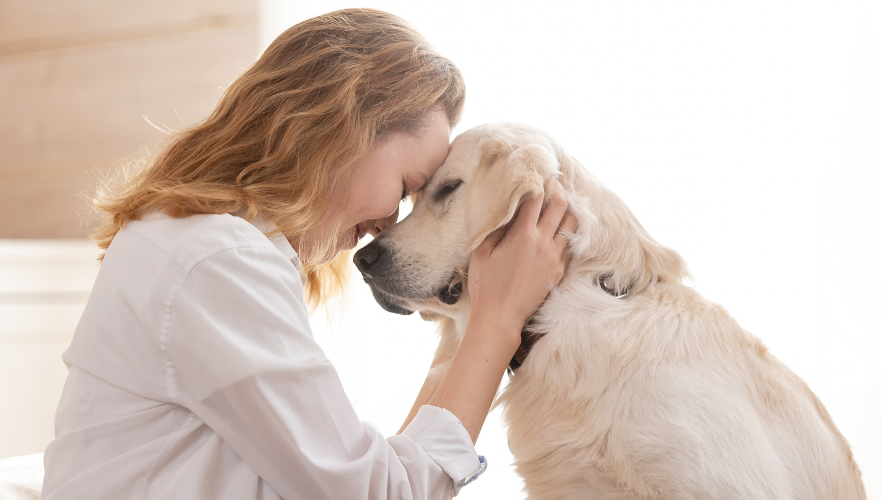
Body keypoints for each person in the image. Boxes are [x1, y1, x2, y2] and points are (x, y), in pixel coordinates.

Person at [40, 8, 574, 500]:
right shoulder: (215, 261)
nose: (389, 225)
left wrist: (470, 320)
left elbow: (375, 474)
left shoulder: (199, 242)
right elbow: (377, 493)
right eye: (407, 185)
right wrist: (497, 321)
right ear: (343, 129)